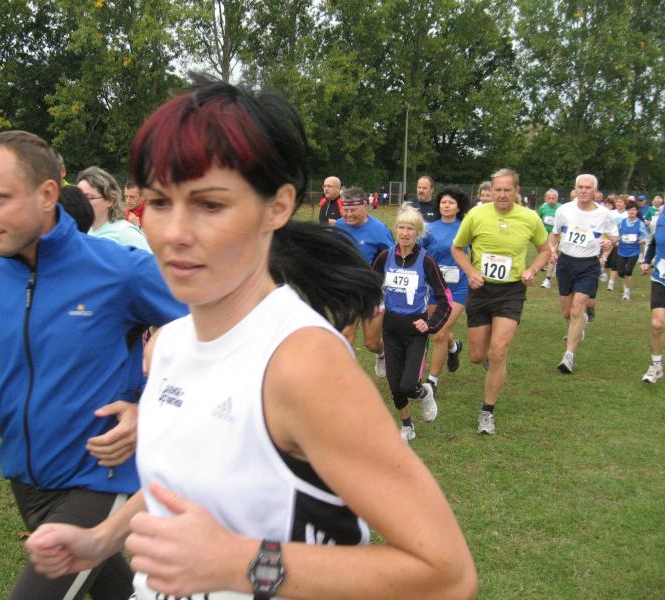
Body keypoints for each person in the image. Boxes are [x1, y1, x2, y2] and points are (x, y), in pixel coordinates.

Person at [25, 75, 477, 600]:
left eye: (209, 205)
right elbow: (181, 479)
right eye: (160, 202)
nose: (174, 233)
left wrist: (238, 563)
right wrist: (100, 540)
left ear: (277, 206)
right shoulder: (168, 343)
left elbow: (446, 574)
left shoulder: (302, 363)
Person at [0, 130, 187, 600]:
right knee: (112, 590)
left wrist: (150, 407)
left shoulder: (119, 269)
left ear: (46, 195)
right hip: (25, 478)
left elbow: (213, 334)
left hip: (100, 474)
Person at [451, 168, 550, 435]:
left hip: (511, 291)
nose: (502, 195)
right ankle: (488, 360)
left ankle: (487, 411)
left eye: (508, 190)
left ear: (517, 191)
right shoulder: (476, 215)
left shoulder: (530, 218)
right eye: (498, 190)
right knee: (477, 356)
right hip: (481, 290)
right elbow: (457, 248)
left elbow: (545, 251)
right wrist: (470, 272)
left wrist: (532, 270)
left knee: (498, 351)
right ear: (490, 191)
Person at [375, 206, 451, 441]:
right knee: (394, 385)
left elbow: (445, 298)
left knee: (408, 385)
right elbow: (371, 285)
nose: (405, 233)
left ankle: (425, 392)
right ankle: (407, 426)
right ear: (395, 229)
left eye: (410, 229)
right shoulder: (385, 257)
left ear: (417, 232)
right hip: (390, 329)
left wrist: (431, 325)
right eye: (401, 227)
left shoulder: (426, 261)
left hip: (415, 330)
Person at [549, 174, 617, 374]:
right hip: (566, 262)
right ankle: (580, 324)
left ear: (594, 191)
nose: (584, 191)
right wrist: (552, 250)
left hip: (589, 264)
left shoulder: (604, 214)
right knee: (567, 312)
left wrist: (609, 242)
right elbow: (554, 233)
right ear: (576, 188)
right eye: (580, 187)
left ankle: (568, 356)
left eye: (588, 187)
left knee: (577, 309)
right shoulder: (564, 210)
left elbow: (614, 235)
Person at [334, 186, 395, 376]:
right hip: (347, 290)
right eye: (345, 210)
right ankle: (344, 379)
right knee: (345, 335)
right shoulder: (339, 226)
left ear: (365, 206)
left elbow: (393, 259)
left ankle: (382, 354)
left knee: (372, 343)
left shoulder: (379, 230)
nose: (348, 214)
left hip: (372, 291)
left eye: (353, 210)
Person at [420, 186, 471, 396]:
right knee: (439, 328)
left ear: (459, 207)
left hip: (458, 286)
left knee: (440, 333)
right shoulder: (429, 228)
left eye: (451, 203)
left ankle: (432, 381)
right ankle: (454, 347)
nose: (446, 206)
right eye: (443, 202)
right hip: (434, 287)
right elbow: (418, 253)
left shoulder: (466, 228)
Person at [77, 167, 151, 251]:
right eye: (79, 196)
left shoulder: (125, 233)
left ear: (110, 200)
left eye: (89, 197)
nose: (81, 202)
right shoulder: (83, 232)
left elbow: (151, 259)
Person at [640, 207, 665, 383]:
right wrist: (647, 261)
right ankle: (656, 366)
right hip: (660, 278)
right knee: (657, 324)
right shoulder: (660, 218)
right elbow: (654, 242)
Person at [615, 199, 648, 300]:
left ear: (637, 211)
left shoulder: (640, 224)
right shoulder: (622, 222)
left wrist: (642, 240)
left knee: (628, 271)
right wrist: (616, 240)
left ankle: (627, 293)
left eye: (633, 210)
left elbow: (646, 237)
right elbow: (617, 234)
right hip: (621, 250)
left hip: (634, 251)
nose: (631, 212)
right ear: (627, 211)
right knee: (621, 272)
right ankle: (626, 283)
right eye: (629, 210)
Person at [538, 189, 562, 289]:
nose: (551, 200)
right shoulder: (543, 207)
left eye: (553, 198)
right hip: (545, 235)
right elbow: (538, 219)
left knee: (553, 255)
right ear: (546, 198)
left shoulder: (561, 208)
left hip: (556, 235)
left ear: (557, 198)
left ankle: (547, 279)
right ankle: (551, 266)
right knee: (547, 253)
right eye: (549, 198)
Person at [606, 194, 628, 291]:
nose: (618, 204)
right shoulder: (611, 213)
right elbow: (605, 225)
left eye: (620, 202)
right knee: (609, 262)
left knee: (616, 263)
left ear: (625, 204)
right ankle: (607, 278)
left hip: (622, 241)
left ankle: (612, 283)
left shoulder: (627, 214)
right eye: (617, 202)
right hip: (610, 240)